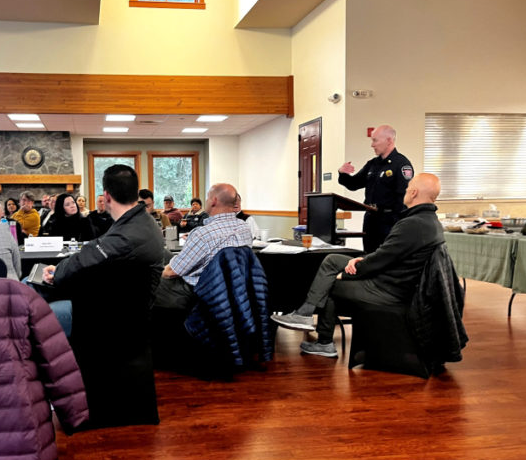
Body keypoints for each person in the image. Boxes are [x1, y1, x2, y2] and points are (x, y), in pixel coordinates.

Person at [271, 173, 444, 358]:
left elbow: (382, 260)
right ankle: (306, 314)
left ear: (414, 192)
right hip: (395, 277)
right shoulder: (429, 222)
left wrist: (348, 274)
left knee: (331, 284)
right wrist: (361, 260)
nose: (406, 190)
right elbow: (389, 255)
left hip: (390, 288)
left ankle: (323, 340)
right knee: (333, 260)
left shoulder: (413, 224)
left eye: (408, 186)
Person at [41, 165, 164, 295]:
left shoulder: (127, 234)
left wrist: (57, 271)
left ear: (106, 196)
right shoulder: (143, 221)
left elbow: (88, 257)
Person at [153, 183, 253, 312]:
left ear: (214, 201)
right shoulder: (244, 228)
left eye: (207, 197)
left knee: (145, 280)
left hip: (193, 292)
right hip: (228, 288)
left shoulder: (203, 234)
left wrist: (154, 272)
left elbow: (170, 273)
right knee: (163, 252)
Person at [338, 124, 414, 253]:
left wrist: (398, 225)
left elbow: (404, 198)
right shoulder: (373, 164)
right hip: (371, 218)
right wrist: (342, 173)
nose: (372, 145)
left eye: (375, 140)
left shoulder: (401, 164)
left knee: (386, 258)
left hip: (389, 221)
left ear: (389, 140)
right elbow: (354, 184)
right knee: (369, 255)